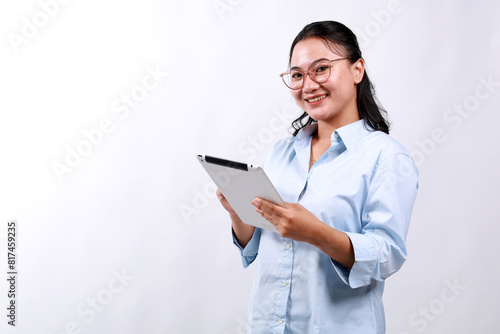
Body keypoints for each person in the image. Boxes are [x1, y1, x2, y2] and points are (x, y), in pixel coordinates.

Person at [216, 21, 419, 333]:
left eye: (321, 69)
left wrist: (317, 233)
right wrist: (237, 212)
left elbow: (386, 255)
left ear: (357, 70)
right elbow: (257, 243)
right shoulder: (281, 152)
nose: (308, 85)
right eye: (297, 75)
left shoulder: (387, 158)